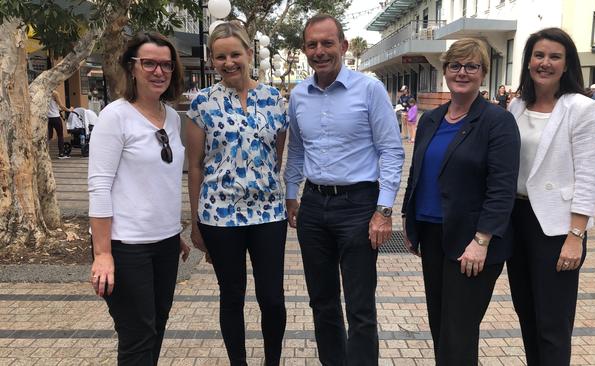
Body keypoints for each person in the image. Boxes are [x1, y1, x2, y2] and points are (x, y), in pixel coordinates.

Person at [284, 14, 404, 365]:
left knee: (360, 306)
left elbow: (392, 150)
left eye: (327, 43)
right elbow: (297, 149)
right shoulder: (299, 95)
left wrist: (383, 211)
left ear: (344, 46)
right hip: (314, 206)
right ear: (305, 49)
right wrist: (292, 193)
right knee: (322, 303)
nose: (319, 51)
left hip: (358, 206)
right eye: (312, 44)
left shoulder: (369, 89)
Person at [401, 38, 520, 364]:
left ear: (483, 73)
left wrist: (482, 240)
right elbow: (417, 173)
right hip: (433, 235)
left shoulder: (497, 121)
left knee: (459, 330)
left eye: (472, 66)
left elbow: (502, 187)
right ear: (445, 70)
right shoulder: (430, 119)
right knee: (441, 326)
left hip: (472, 242)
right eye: (455, 65)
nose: (462, 72)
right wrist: (408, 219)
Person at [185, 21, 288, 365]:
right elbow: (196, 165)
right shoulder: (202, 103)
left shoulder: (274, 99)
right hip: (219, 215)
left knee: (272, 297)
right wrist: (197, 219)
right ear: (212, 61)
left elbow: (277, 155)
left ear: (249, 53)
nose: (228, 62)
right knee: (232, 296)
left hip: (269, 214)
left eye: (234, 54)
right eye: (220, 57)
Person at [88, 32, 190, 366]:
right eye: (149, 63)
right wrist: (102, 253)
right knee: (137, 335)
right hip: (126, 246)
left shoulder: (172, 118)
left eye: (166, 65)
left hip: (164, 244)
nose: (159, 71)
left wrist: (172, 231)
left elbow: (163, 182)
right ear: (132, 68)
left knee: (157, 326)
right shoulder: (114, 117)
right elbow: (99, 187)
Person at [507, 28, 595, 365]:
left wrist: (576, 236)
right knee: (527, 314)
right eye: (539, 55)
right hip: (515, 222)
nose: (545, 63)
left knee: (553, 323)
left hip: (557, 227)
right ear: (529, 61)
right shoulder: (516, 105)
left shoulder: (582, 108)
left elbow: (588, 176)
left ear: (566, 65)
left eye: (554, 57)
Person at [48, 90, 73, 159]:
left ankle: (45, 152)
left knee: (49, 136)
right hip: (55, 117)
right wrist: (69, 110)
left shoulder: (43, 91)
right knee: (60, 135)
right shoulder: (55, 93)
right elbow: (61, 106)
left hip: (48, 118)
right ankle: (61, 154)